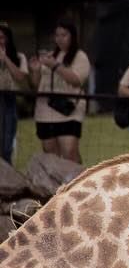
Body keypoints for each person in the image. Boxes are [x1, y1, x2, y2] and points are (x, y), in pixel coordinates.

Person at [32, 20, 89, 164]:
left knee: (69, 151)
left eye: (64, 35)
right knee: (50, 154)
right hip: (45, 111)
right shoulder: (49, 56)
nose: (60, 38)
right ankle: (56, 185)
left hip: (69, 110)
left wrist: (55, 66)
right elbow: (36, 85)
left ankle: (77, 182)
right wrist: (35, 70)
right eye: (57, 35)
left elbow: (76, 80)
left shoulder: (80, 56)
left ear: (72, 36)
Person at [0, 23, 30, 164]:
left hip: (8, 100)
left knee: (7, 144)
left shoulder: (19, 57)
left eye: (1, 37)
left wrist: (5, 59)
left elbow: (20, 77)